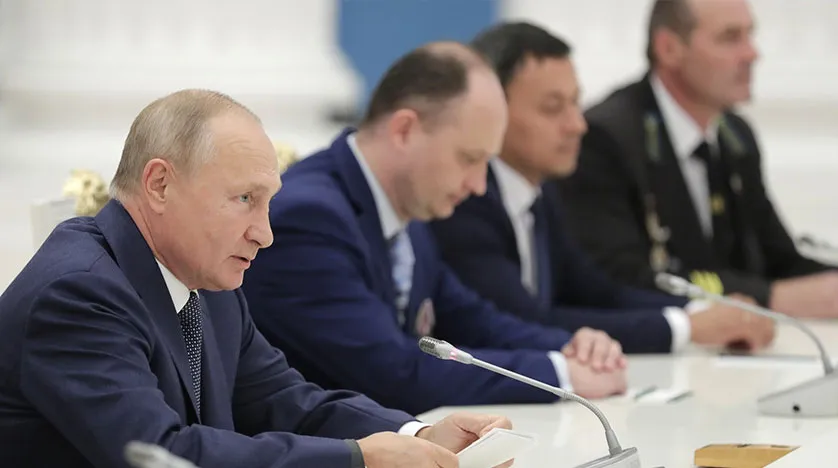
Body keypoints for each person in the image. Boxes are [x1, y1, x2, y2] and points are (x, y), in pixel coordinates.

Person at [0, 89, 516, 468]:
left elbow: (286, 402)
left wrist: (417, 435)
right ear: (159, 184)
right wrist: (359, 459)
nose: (264, 235)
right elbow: (160, 454)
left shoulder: (207, 284)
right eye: (245, 199)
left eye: (267, 203)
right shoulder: (79, 294)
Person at [241, 42, 628, 417]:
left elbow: (472, 319)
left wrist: (573, 348)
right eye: (469, 158)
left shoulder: (407, 210)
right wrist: (559, 374)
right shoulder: (310, 218)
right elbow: (394, 373)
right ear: (405, 130)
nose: (479, 185)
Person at [429, 22, 775, 355]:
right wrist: (685, 327)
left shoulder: (541, 191)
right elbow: (524, 322)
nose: (577, 125)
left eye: (575, 103)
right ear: (493, 114)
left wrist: (700, 310)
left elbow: (598, 292)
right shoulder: (466, 199)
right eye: (553, 108)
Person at [555, 0, 838, 318]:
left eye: (750, 35)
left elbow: (779, 259)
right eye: (730, 38)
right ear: (669, 49)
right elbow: (622, 279)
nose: (751, 54)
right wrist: (769, 297)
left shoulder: (735, 135)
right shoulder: (606, 138)